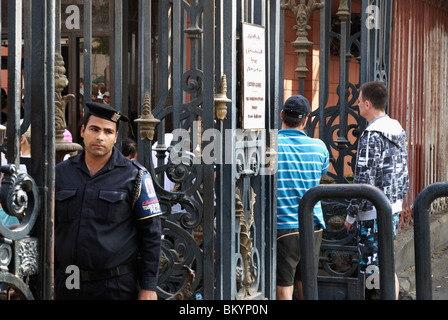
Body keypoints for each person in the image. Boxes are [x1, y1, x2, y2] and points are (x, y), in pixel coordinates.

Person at [54, 102, 162, 300]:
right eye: (94, 129)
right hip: (70, 280)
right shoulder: (60, 173)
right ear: (83, 131)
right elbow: (51, 228)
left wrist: (149, 287)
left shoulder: (135, 176)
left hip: (115, 284)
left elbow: (151, 234)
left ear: (115, 137)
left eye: (108, 132)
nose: (100, 137)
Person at [344, 81, 409, 300]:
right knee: (386, 263)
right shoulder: (398, 130)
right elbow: (404, 173)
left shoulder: (372, 135)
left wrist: (351, 215)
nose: (357, 103)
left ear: (368, 104)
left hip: (372, 212)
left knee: (371, 267)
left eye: (359, 100)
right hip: (392, 206)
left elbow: (364, 180)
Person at [276, 95, 330, 300]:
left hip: (283, 225)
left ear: (282, 115)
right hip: (312, 224)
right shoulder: (320, 147)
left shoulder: (270, 146)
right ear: (306, 120)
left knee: (283, 286)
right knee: (307, 282)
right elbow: (321, 174)